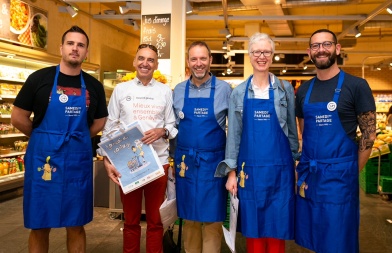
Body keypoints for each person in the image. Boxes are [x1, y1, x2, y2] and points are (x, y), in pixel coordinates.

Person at [11, 25, 108, 252]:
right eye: (71, 43)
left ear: (86, 53)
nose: (75, 49)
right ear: (61, 48)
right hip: (43, 160)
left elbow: (100, 121)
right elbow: (17, 117)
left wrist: (79, 137)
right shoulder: (39, 79)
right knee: (40, 224)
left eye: (81, 45)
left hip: (77, 163)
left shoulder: (94, 86)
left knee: (76, 223)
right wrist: (43, 137)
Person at [216, 32, 300, 253]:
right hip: (249, 173)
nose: (261, 56)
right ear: (250, 56)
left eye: (266, 52)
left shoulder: (284, 90)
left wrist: (296, 163)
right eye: (256, 52)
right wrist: (231, 172)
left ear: (272, 55)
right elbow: (233, 135)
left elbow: (292, 129)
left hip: (281, 172)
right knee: (253, 229)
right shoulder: (240, 93)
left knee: (277, 228)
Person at [294, 29, 376, 253]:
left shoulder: (357, 86)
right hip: (311, 175)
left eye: (326, 44)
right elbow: (304, 132)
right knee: (315, 235)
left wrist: (350, 170)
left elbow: (369, 135)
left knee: (339, 239)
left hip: (340, 179)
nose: (321, 50)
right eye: (316, 46)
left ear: (337, 49)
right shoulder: (303, 90)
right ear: (309, 52)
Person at [100, 43, 177, 253]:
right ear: (134, 61)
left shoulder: (164, 92)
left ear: (156, 65)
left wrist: (162, 131)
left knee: (155, 221)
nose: (145, 63)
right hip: (128, 163)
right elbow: (110, 125)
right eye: (141, 58)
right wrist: (106, 158)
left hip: (158, 164)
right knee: (131, 220)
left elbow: (172, 125)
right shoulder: (121, 90)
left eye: (150, 60)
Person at [173, 41, 232, 253]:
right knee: (189, 220)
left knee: (212, 221)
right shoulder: (178, 91)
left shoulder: (225, 89)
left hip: (213, 167)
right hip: (185, 165)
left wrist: (232, 167)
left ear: (210, 60)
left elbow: (234, 133)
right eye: (194, 59)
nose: (199, 63)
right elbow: (172, 129)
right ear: (188, 62)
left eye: (203, 58)